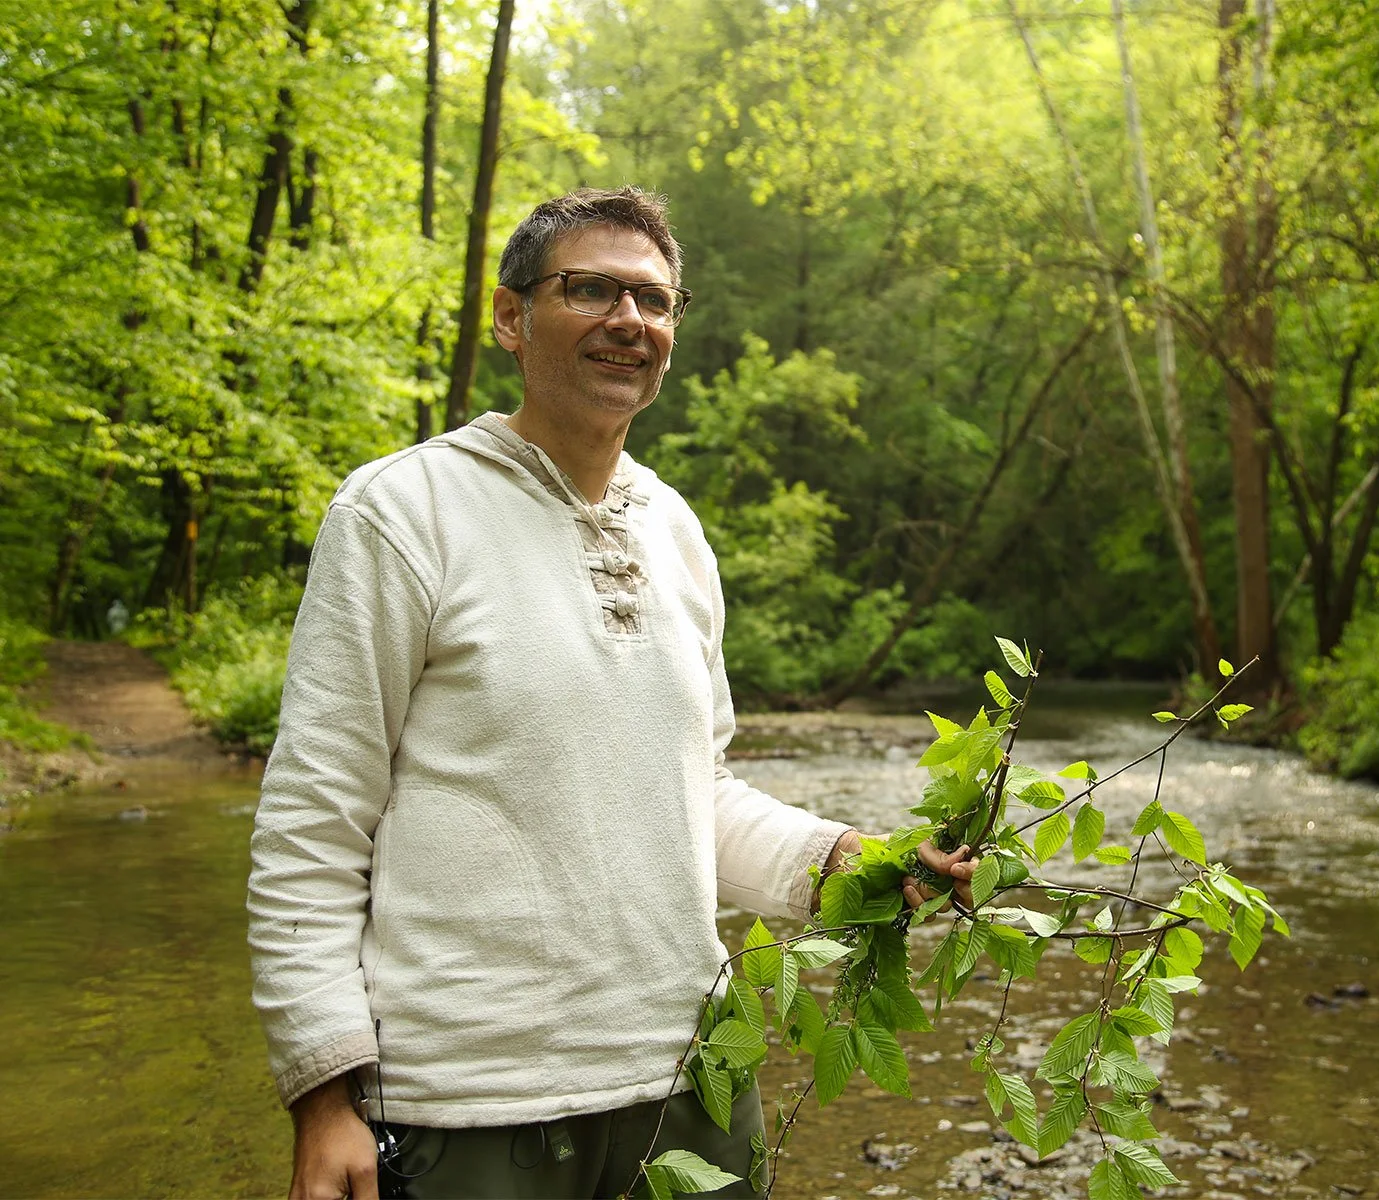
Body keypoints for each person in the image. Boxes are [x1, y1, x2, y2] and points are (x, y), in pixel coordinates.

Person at [247, 186, 972, 1200]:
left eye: (654, 301)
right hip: (469, 1101)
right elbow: (312, 822)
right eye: (590, 290)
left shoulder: (674, 528)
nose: (629, 321)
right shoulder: (398, 514)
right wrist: (323, 1093)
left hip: (693, 1080)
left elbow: (695, 794)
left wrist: (847, 860)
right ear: (511, 317)